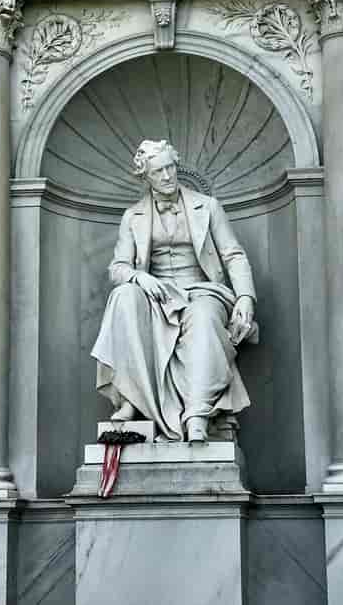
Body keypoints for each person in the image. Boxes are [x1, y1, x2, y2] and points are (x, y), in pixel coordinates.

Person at [91, 141, 257, 443]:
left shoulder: (207, 206)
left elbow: (234, 255)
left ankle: (197, 414)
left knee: (204, 319)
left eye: (170, 168)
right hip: (158, 296)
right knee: (123, 297)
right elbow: (118, 268)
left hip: (202, 291)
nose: (167, 176)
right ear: (146, 176)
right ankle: (132, 398)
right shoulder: (133, 216)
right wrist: (141, 278)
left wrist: (245, 297)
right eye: (159, 171)